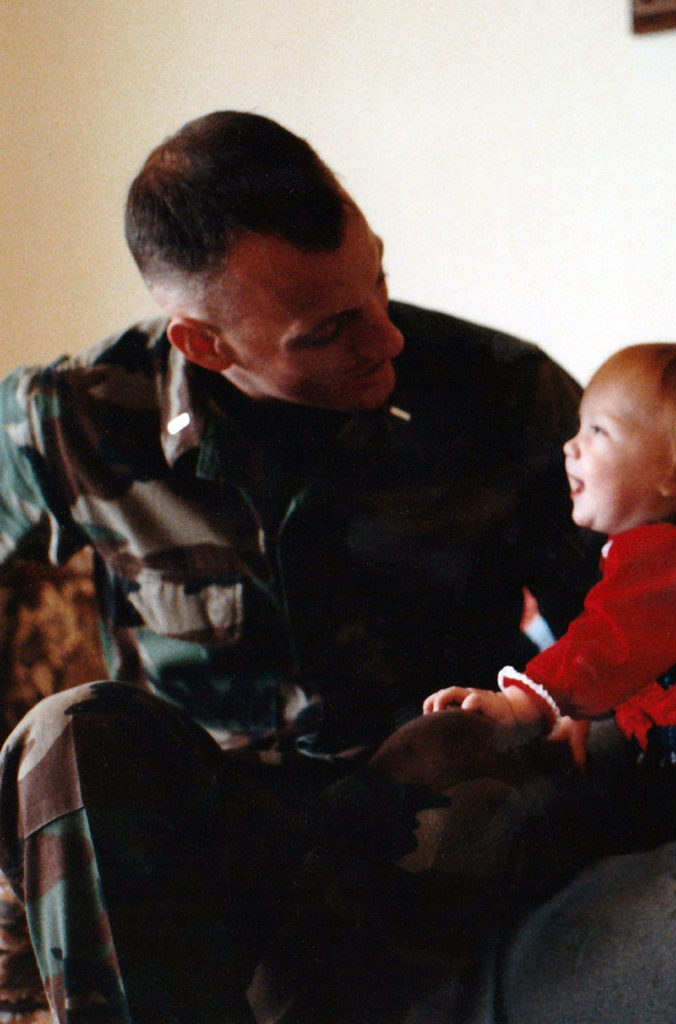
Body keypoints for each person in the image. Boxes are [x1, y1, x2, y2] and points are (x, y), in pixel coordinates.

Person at [0, 111, 600, 1022]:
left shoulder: (503, 392)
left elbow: (625, 622)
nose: (387, 338)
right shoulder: (75, 416)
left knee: (470, 782)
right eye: (329, 330)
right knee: (67, 732)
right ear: (204, 343)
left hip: (419, 802)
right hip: (215, 816)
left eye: (381, 282)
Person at [422, 341, 676, 888]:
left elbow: (610, 642)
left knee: (589, 829)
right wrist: (578, 712)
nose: (570, 446)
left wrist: (526, 701)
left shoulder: (670, 556)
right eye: (578, 426)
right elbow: (639, 652)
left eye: (598, 432)